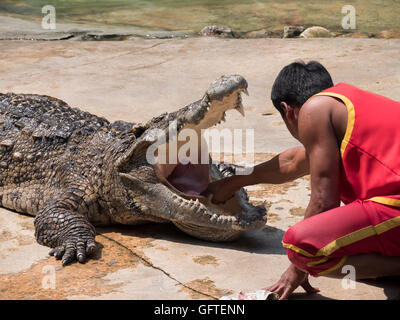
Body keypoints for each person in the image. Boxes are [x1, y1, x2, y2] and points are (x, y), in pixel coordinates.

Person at [203, 60, 400, 299]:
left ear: (288, 111)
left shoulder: (313, 110)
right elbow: (293, 162)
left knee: (300, 244)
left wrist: (296, 269)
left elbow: (323, 201)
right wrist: (232, 181)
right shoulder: (346, 104)